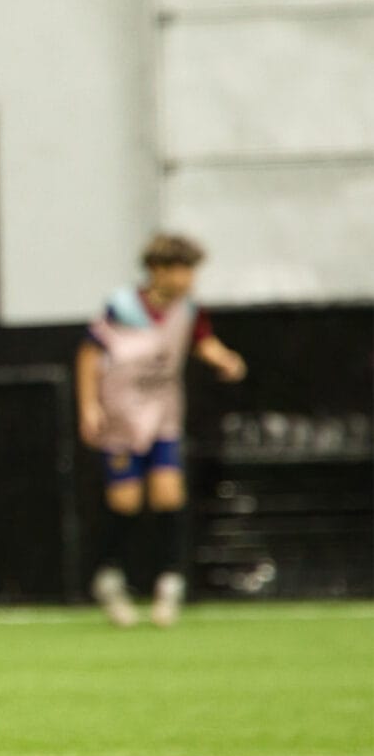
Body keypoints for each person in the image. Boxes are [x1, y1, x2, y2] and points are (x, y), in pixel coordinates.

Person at [78, 232, 246, 628]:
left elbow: (203, 343)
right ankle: (108, 574)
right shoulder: (121, 308)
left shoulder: (188, 311)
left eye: (191, 271)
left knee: (169, 494)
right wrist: (89, 406)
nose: (188, 279)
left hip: (163, 415)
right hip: (121, 417)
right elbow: (89, 355)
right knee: (126, 502)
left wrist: (225, 360)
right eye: (181, 270)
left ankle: (170, 581)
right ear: (157, 270)